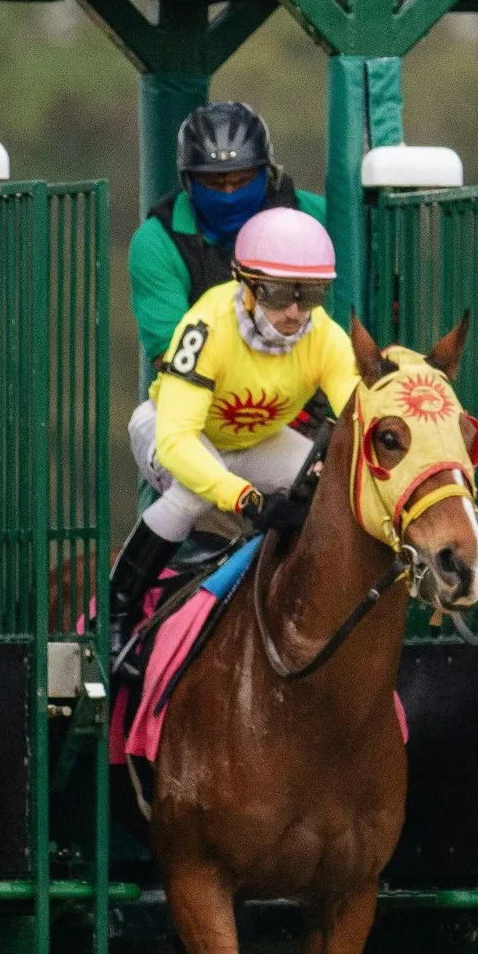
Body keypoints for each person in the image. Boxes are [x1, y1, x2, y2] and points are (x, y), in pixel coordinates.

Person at [107, 207, 360, 677]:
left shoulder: (326, 336)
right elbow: (179, 441)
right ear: (245, 284)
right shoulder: (207, 328)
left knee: (332, 492)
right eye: (280, 293)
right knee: (192, 493)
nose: (294, 312)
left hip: (254, 441)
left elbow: (355, 422)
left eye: (310, 295)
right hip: (170, 429)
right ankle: (116, 615)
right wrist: (245, 498)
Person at [128, 101, 327, 372]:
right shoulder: (157, 241)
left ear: (267, 174)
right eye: (213, 183)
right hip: (202, 393)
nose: (229, 195)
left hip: (310, 382)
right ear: (188, 182)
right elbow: (171, 354)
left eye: (243, 181)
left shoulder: (316, 217)